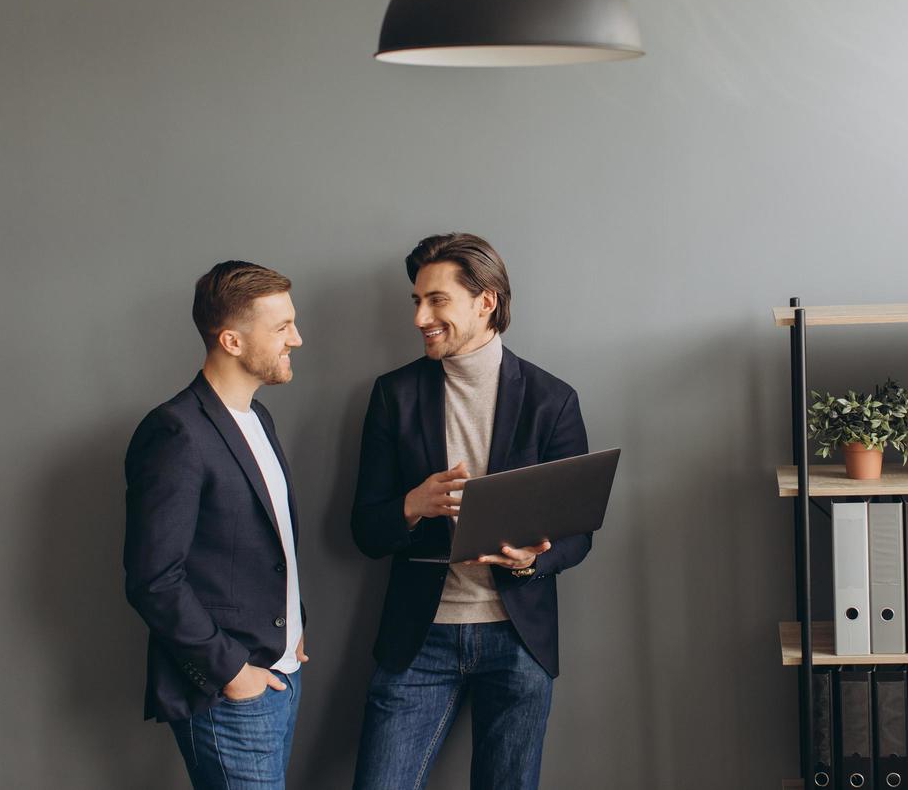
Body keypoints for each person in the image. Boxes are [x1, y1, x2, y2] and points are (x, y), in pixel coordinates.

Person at [351, 233, 591, 790]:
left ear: (485, 302)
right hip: (418, 639)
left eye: (437, 300)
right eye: (416, 301)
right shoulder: (394, 395)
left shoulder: (551, 400)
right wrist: (412, 506)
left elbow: (579, 533)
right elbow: (364, 530)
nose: (420, 317)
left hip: (519, 642)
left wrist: (532, 561)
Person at [123, 261, 309, 789]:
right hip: (229, 692)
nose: (297, 338)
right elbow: (154, 579)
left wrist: (291, 625)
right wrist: (231, 671)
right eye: (281, 327)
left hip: (281, 673)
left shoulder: (260, 417)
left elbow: (265, 544)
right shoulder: (175, 433)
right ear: (231, 339)